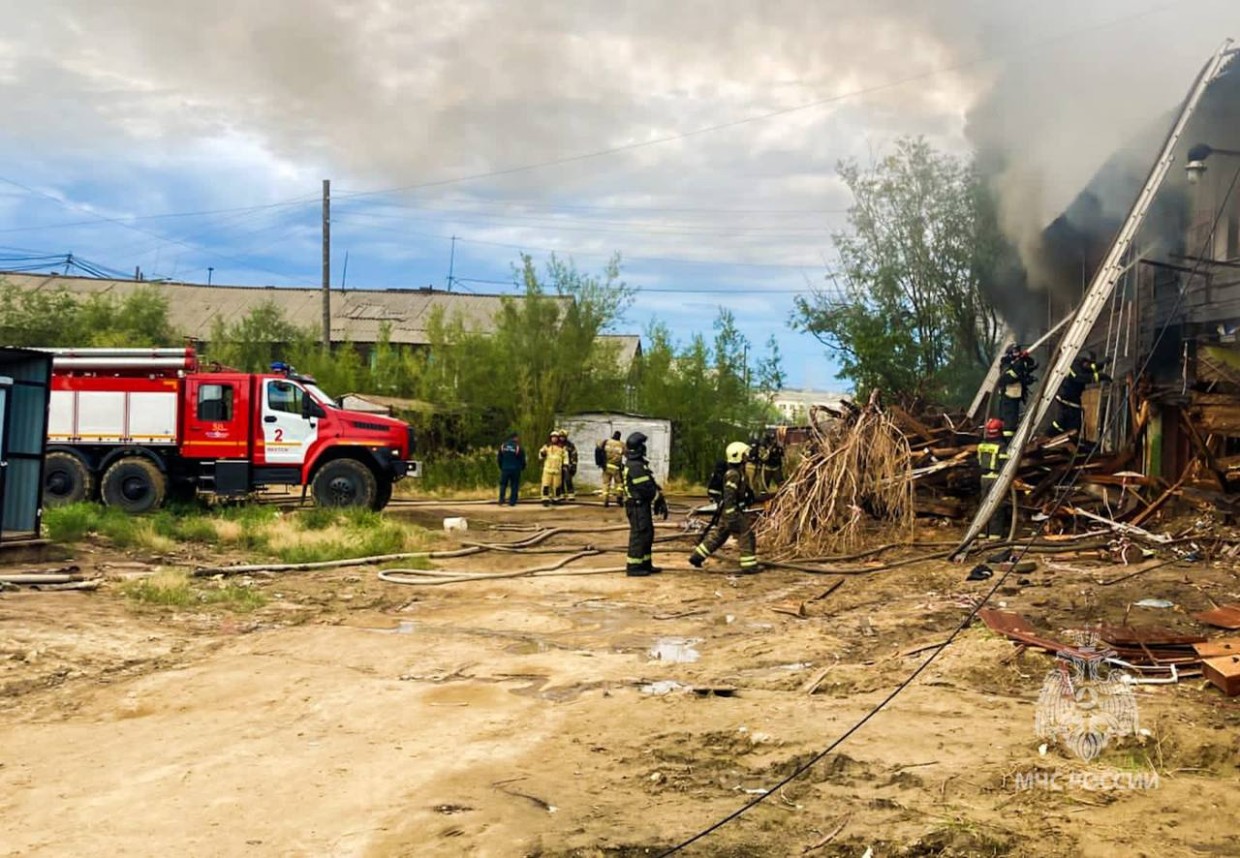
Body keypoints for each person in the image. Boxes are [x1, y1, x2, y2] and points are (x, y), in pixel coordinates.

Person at [689, 441, 759, 574]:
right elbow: (729, 494)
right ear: (738, 456)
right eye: (744, 454)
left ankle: (697, 557)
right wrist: (732, 513)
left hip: (727, 513)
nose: (747, 456)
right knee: (746, 534)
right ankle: (749, 566)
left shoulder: (737, 472)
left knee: (718, 536)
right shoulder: (733, 474)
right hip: (731, 513)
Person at [622, 431, 668, 577]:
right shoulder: (635, 466)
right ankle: (634, 567)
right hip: (636, 505)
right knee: (639, 534)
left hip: (642, 505)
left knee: (647, 534)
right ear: (638, 448)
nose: (644, 448)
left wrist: (659, 496)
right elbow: (645, 488)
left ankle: (645, 563)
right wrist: (657, 497)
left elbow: (650, 483)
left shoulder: (639, 464)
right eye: (642, 445)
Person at [1050, 352, 1112, 437]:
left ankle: (1066, 439)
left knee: (1071, 425)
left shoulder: (1082, 366)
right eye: (1089, 363)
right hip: (1066, 402)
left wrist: (1104, 363)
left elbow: (1092, 369)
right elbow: (1081, 378)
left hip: (1071, 402)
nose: (1090, 366)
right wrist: (1101, 376)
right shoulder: (1074, 366)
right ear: (1084, 362)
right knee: (1064, 424)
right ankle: (1049, 435)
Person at [977, 418, 1011, 538]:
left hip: (983, 478)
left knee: (983, 505)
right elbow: (1004, 464)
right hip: (996, 479)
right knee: (996, 506)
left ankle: (980, 532)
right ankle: (995, 534)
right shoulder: (1001, 446)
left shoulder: (982, 445)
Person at [997, 343, 1038, 443]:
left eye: (1018, 351)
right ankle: (1008, 442)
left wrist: (1028, 378)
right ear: (1010, 353)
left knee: (1014, 420)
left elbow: (1028, 368)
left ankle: (1011, 439)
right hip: (1008, 397)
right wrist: (1018, 365)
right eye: (1015, 351)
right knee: (1009, 422)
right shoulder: (1006, 364)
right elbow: (1008, 378)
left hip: (1015, 397)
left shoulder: (1019, 362)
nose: (1018, 353)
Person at [597, 430, 626, 508]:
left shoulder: (606, 442)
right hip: (616, 468)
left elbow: (598, 449)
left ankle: (605, 500)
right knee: (619, 484)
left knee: (606, 484)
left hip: (606, 467)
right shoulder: (622, 445)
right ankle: (619, 497)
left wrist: (600, 463)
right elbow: (627, 454)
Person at [497, 431, 526, 506]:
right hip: (515, 469)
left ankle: (501, 499)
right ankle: (512, 501)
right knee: (514, 485)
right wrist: (522, 467)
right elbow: (522, 459)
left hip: (505, 468)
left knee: (503, 484)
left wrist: (501, 466)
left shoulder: (503, 446)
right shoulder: (518, 447)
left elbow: (499, 458)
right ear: (515, 438)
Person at [538, 431, 567, 506]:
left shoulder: (562, 447)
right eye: (552, 437)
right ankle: (545, 499)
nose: (554, 439)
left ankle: (556, 498)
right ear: (550, 438)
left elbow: (566, 457)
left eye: (555, 438)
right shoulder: (546, 446)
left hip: (557, 470)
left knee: (557, 486)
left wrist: (565, 465)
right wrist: (542, 454)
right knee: (546, 485)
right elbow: (540, 456)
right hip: (548, 469)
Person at [560, 428, 579, 501]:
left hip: (567, 465)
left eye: (563, 437)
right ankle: (561, 494)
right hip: (558, 465)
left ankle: (571, 494)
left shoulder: (570, 445)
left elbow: (574, 455)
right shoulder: (557, 445)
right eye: (561, 437)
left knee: (568, 479)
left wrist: (574, 465)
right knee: (560, 480)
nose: (562, 438)